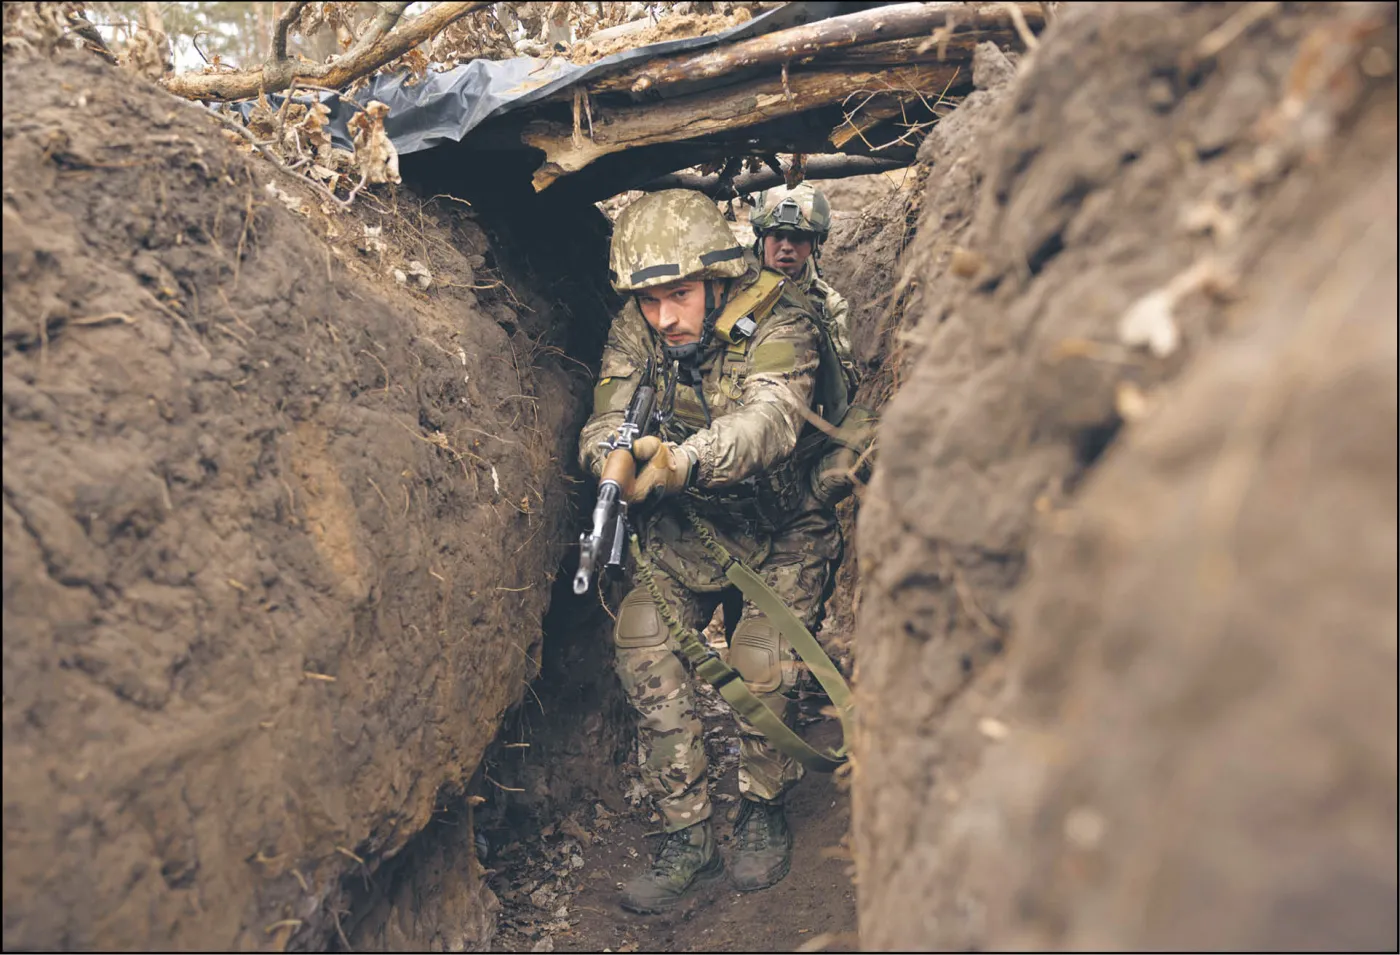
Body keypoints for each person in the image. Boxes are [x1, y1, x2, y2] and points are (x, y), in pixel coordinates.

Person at [579, 189, 860, 914]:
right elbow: (606, 414)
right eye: (650, 300)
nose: (664, 316)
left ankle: (762, 806)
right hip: (687, 526)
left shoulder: (782, 316)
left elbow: (770, 421)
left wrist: (681, 461)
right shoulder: (637, 326)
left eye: (679, 295)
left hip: (783, 524)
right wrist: (611, 459)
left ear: (717, 276)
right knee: (642, 645)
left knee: (761, 665)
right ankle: (688, 836)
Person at [749, 182, 856, 393]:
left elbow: (841, 385)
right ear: (762, 238)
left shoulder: (828, 306)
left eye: (798, 238)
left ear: (814, 245)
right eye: (777, 235)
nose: (786, 247)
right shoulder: (732, 285)